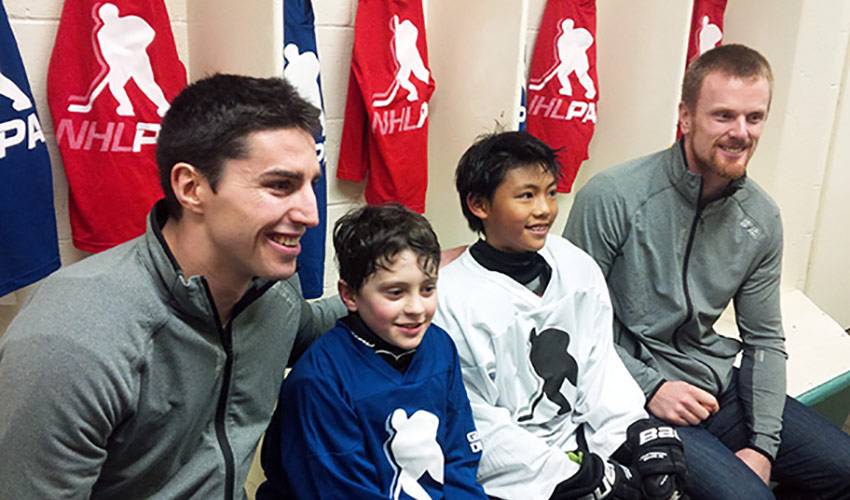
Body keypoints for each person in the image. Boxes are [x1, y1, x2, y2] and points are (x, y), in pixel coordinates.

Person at [0, 74, 345, 499]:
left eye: (312, 183)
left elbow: (306, 325)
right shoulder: (74, 340)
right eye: (280, 186)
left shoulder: (270, 290)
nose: (311, 214)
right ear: (191, 187)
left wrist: (410, 281)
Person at [564, 44, 850, 499]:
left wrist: (762, 446)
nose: (741, 132)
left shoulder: (760, 218)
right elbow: (569, 322)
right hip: (631, 392)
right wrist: (650, 386)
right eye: (723, 116)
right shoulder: (612, 196)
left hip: (713, 383)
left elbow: (765, 342)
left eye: (754, 118)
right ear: (685, 117)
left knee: (843, 469)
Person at [434, 131, 688, 500]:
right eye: (526, 195)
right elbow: (478, 423)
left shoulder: (573, 264)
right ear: (479, 205)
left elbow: (599, 366)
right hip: (516, 480)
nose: (545, 209)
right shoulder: (451, 298)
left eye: (550, 192)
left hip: (581, 447)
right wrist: (576, 476)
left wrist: (634, 432)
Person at [258, 203, 487, 499]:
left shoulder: (440, 346)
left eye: (427, 289)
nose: (417, 308)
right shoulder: (319, 382)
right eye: (395, 292)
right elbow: (343, 490)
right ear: (349, 295)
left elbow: (459, 458)